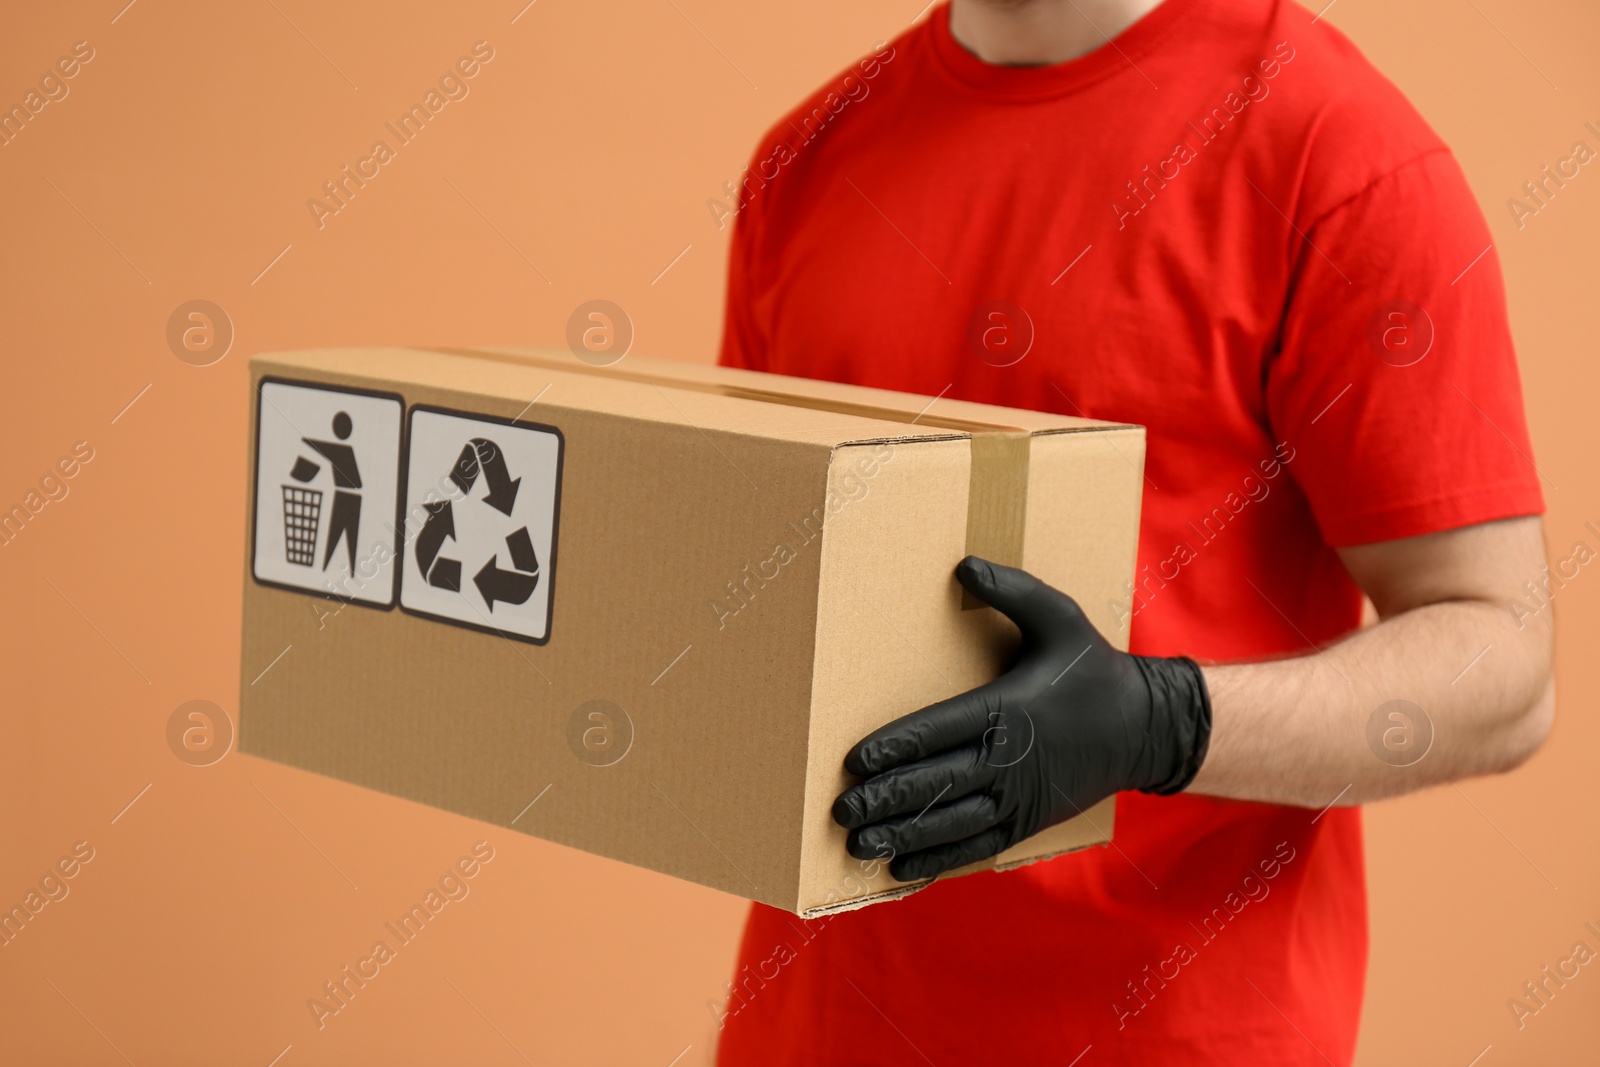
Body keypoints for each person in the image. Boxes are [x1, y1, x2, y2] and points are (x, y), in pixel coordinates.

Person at [713, 1, 1553, 1063]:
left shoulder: (1329, 150)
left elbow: (1504, 664)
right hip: (815, 1028)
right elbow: (753, 581)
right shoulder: (807, 159)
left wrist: (1164, 722)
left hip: (1181, 1033)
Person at [302, 411, 363, 574]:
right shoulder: (345, 451)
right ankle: (331, 568)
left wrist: (309, 442)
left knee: (344, 539)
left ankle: (347, 570)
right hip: (347, 497)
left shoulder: (343, 451)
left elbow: (327, 450)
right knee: (337, 538)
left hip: (347, 498)